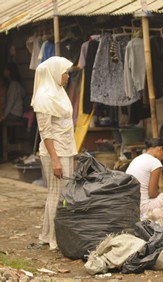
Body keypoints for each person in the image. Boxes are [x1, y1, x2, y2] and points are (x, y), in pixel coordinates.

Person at [31, 56, 77, 250]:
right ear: (54, 73)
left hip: (65, 148)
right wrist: (55, 159)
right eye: (64, 72)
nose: (67, 76)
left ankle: (50, 235)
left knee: (61, 193)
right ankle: (54, 238)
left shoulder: (58, 92)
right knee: (57, 194)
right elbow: (46, 132)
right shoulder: (44, 96)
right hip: (55, 152)